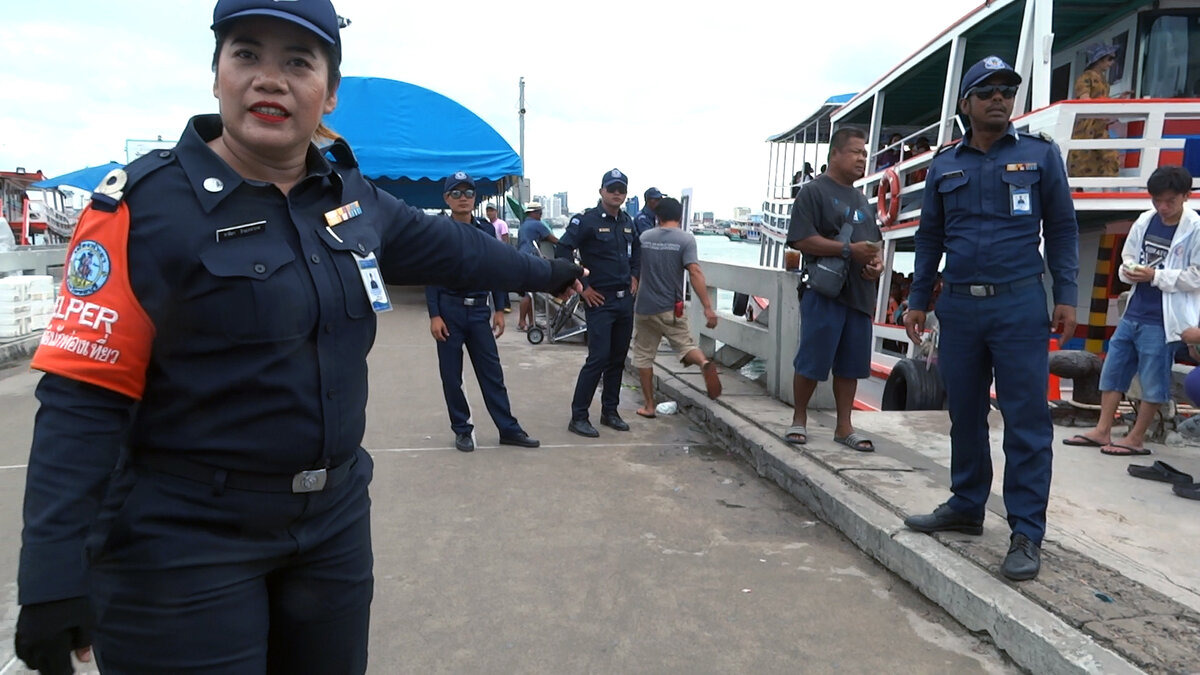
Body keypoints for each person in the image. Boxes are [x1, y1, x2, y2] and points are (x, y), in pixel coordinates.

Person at [12, 2, 583, 673]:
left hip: (332, 526)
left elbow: (458, 251)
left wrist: (552, 272)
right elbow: (82, 395)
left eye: (297, 62)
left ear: (329, 92)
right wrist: (51, 576)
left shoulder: (352, 198)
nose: (269, 79)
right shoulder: (140, 209)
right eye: (247, 55)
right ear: (216, 74)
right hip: (181, 541)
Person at [902, 56, 1079, 582]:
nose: (999, 98)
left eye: (1006, 89)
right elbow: (929, 237)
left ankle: (1026, 531)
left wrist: (1065, 293)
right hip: (958, 304)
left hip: (1019, 304)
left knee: (1026, 420)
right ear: (967, 104)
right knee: (966, 413)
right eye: (986, 91)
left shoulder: (1040, 157)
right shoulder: (943, 164)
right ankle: (966, 504)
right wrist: (916, 299)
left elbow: (1065, 229)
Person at [1062, 166, 1200, 455]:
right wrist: (1129, 270)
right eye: (1157, 200)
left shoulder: (1195, 228)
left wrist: (1157, 277)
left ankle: (1137, 437)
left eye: (1170, 201)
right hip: (1136, 309)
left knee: (1153, 377)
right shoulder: (1146, 220)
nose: (1162, 207)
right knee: (1114, 369)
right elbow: (1129, 254)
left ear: (1186, 197)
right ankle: (1102, 430)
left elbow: (1196, 275)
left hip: (1164, 317)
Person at [784, 126, 883, 451]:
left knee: (852, 364)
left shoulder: (863, 201)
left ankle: (844, 426)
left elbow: (875, 245)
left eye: (864, 154)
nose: (861, 159)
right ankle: (799, 418)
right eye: (855, 152)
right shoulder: (813, 192)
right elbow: (800, 239)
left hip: (858, 295)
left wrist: (876, 265)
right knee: (812, 359)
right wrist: (846, 251)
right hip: (823, 292)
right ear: (835, 154)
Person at [426, 173, 540, 453]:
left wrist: (499, 309)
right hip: (449, 312)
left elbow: (495, 268)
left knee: (492, 374)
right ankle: (462, 430)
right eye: (456, 193)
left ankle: (508, 429)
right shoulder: (439, 230)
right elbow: (431, 273)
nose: (463, 198)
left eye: (468, 192)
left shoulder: (486, 231)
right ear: (446, 198)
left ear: (475, 197)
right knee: (452, 376)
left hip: (478, 311)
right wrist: (434, 314)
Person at [559, 169, 641, 437]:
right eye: (612, 188)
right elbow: (562, 251)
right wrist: (581, 287)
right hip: (599, 301)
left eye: (621, 189)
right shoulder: (586, 221)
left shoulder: (628, 222)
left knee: (617, 360)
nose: (616, 193)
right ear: (601, 191)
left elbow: (637, 252)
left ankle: (610, 412)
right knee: (598, 359)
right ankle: (579, 416)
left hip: (624, 301)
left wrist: (635, 276)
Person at [632, 197, 720, 418]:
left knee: (643, 356)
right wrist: (707, 307)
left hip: (644, 307)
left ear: (657, 217)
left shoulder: (644, 237)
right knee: (685, 346)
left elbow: (634, 268)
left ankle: (649, 406)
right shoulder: (686, 240)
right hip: (671, 307)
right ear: (680, 217)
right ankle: (703, 362)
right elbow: (694, 272)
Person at [1067, 43, 1126, 178]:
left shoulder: (1104, 80)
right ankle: (1079, 191)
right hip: (1087, 126)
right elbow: (1084, 99)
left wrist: (1119, 100)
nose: (1112, 63)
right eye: (1110, 59)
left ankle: (1107, 192)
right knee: (1082, 160)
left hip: (1099, 125)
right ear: (1099, 60)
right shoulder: (1086, 77)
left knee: (1109, 157)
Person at [515, 202, 558, 331]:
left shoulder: (523, 225)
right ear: (534, 213)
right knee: (528, 294)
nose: (540, 215)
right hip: (530, 259)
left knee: (531, 292)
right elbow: (552, 239)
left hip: (522, 258)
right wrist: (567, 244)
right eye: (539, 213)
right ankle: (522, 322)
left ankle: (532, 322)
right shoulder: (537, 224)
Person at [485, 204, 512, 312]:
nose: (490, 213)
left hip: (500, 255)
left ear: (496, 211)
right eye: (488, 211)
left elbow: (505, 239)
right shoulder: (486, 225)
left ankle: (506, 304)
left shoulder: (501, 224)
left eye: (491, 210)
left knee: (502, 280)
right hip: (490, 255)